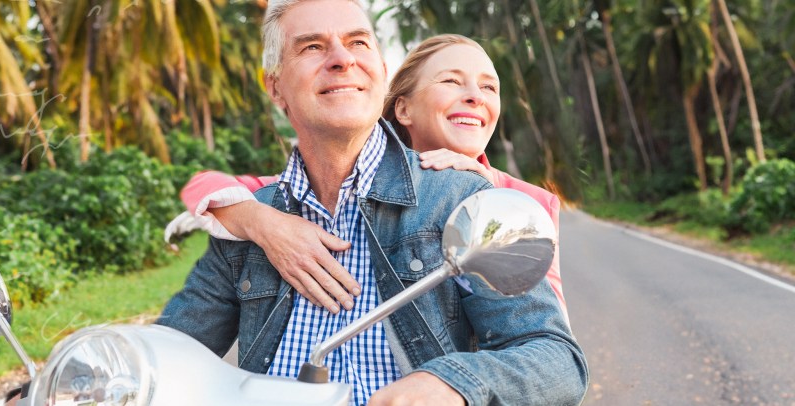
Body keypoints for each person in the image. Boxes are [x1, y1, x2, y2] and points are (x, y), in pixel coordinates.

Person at [156, 1, 588, 404]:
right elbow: (166, 357)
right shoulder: (252, 222)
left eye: (358, 42)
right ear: (275, 87)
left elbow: (557, 359)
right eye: (311, 47)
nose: (342, 59)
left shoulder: (463, 197)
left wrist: (451, 382)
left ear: (379, 71)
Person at [170, 35, 568, 323]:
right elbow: (202, 185)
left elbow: (548, 339)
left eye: (489, 87)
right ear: (404, 109)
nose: (475, 96)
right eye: (451, 81)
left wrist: (486, 198)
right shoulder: (346, 181)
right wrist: (265, 223)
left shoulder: (528, 202)